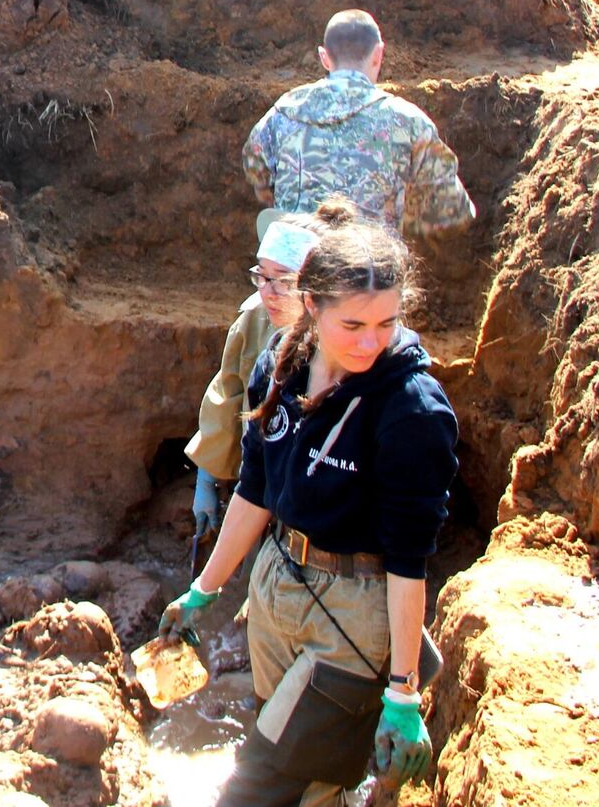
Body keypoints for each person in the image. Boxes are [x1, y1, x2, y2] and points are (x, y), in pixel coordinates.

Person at [159, 199, 457, 806]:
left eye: (387, 323)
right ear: (313, 305)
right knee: (310, 774)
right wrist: (206, 590)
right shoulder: (280, 366)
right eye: (353, 326)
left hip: (354, 614)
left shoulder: (411, 411)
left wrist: (402, 690)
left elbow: (408, 560)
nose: (372, 342)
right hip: (276, 589)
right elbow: (257, 490)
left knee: (263, 783)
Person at [242, 10, 475, 241]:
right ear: (378, 54)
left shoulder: (280, 115)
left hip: (293, 266)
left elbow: (255, 168)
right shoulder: (408, 122)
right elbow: (453, 211)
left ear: (324, 57)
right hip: (369, 269)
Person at [186, 214, 321, 540]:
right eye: (262, 277)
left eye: (283, 281)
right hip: (258, 487)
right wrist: (208, 477)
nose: (268, 293)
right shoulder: (255, 320)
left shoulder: (339, 333)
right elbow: (228, 391)